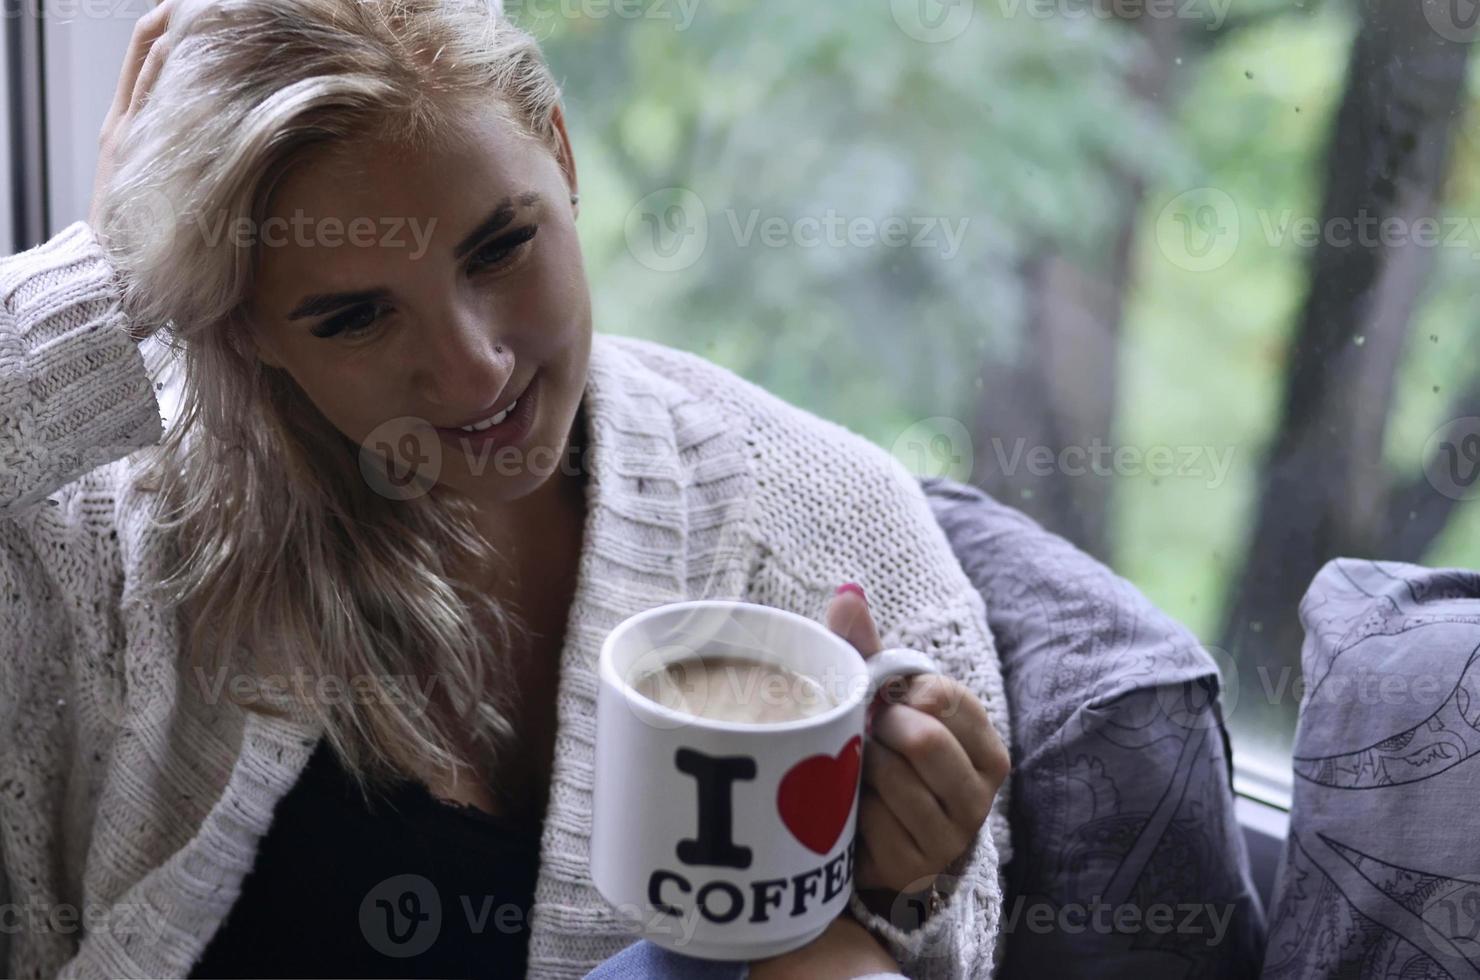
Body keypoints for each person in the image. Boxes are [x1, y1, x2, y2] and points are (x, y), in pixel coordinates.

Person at [0, 1, 1011, 977]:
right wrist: (105, 286)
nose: (473, 367)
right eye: (354, 317)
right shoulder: (115, 531)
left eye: (499, 245)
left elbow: (944, 951)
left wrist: (898, 888)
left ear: (560, 151)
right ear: (249, 327)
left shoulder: (825, 529)